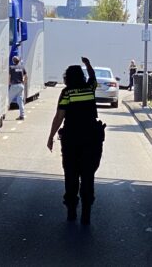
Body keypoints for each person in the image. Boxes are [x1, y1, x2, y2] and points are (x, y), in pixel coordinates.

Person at [47, 56, 106, 224]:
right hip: (92, 139)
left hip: (71, 139)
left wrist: (51, 136)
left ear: (67, 78)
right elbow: (93, 77)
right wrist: (88, 64)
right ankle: (86, 212)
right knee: (88, 174)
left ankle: (71, 209)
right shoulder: (90, 88)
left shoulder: (67, 93)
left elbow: (59, 116)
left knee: (71, 174)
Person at [8, 56, 27, 120]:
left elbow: (9, 77)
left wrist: (9, 83)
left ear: (13, 61)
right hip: (21, 85)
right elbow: (25, 76)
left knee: (8, 100)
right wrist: (23, 82)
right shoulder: (22, 67)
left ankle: (3, 114)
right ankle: (22, 115)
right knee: (20, 101)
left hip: (14, 85)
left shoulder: (11, 67)